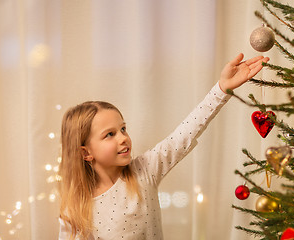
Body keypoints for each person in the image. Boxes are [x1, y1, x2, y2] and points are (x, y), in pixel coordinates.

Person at [58, 53, 269, 240]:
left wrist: (222, 89)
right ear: (86, 153)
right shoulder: (76, 209)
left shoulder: (144, 171)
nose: (123, 138)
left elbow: (183, 135)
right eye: (109, 135)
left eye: (123, 129)